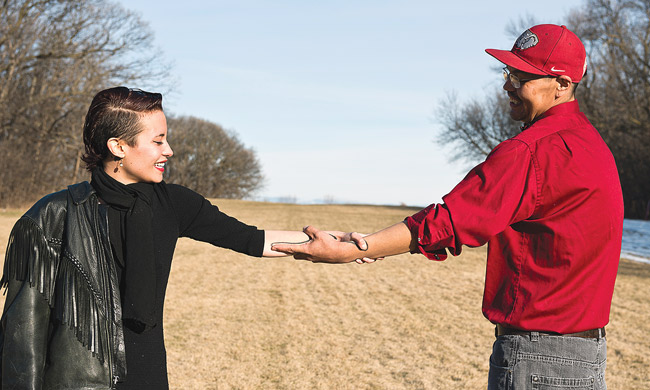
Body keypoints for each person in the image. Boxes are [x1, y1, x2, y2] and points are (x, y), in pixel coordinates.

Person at [272, 24, 624, 389]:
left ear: (563, 84)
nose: (508, 85)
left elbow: (450, 222)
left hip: (538, 358)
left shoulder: (530, 151)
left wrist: (354, 249)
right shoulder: (593, 146)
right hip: (587, 357)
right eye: (509, 72)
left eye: (523, 76)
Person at [0, 86, 333, 389]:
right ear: (118, 146)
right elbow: (23, 331)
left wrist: (333, 242)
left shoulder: (173, 204)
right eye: (158, 141)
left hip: (149, 377)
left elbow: (251, 239)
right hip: (76, 381)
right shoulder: (54, 214)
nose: (169, 150)